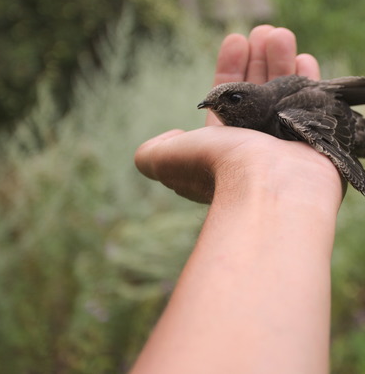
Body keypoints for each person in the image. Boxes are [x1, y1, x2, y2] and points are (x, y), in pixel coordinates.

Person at [132, 25, 343, 373]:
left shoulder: (290, 111)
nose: (215, 109)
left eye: (229, 101)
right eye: (213, 105)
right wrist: (263, 177)